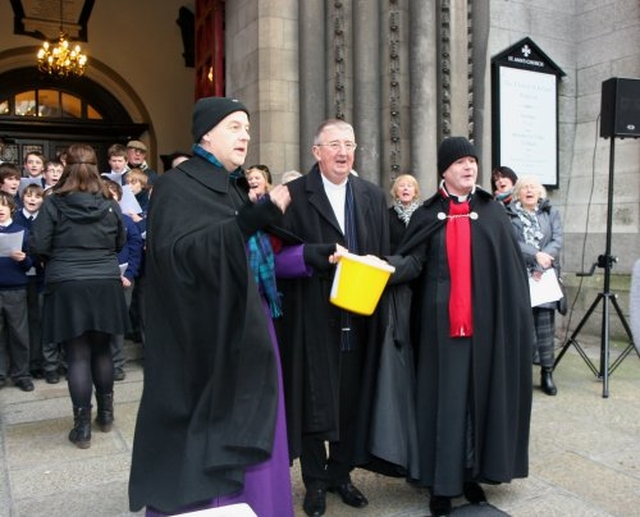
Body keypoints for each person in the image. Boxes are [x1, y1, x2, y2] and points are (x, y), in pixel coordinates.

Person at [129, 97, 296, 517]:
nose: (246, 135)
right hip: (209, 341)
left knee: (260, 430)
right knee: (220, 442)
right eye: (235, 126)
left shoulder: (232, 185)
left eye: (248, 128)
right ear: (206, 132)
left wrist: (314, 256)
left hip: (251, 328)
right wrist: (248, 221)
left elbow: (257, 259)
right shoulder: (175, 185)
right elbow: (178, 257)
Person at [388, 137, 533, 516]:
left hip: (486, 329)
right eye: (460, 163)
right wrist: (382, 268)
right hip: (439, 329)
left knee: (477, 400)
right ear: (444, 170)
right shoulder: (426, 213)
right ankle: (440, 484)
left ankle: (471, 476)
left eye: (473, 161)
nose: (469, 168)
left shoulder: (491, 212)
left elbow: (510, 272)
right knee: (442, 403)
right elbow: (413, 262)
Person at [278, 119, 390, 516]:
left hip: (360, 315)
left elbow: (386, 250)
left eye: (349, 144)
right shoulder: (292, 195)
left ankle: (341, 474)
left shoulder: (372, 196)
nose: (343, 152)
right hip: (311, 315)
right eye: (334, 145)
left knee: (350, 398)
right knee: (313, 400)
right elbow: (275, 259)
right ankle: (315, 482)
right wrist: (315, 255)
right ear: (316, 152)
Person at [30, 144, 130, 449]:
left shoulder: (53, 203)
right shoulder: (110, 203)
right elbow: (120, 240)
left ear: (67, 166)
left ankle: (82, 428)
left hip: (68, 281)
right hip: (103, 279)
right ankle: (106, 415)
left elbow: (39, 243)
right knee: (102, 350)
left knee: (77, 355)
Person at [506, 175, 563, 396]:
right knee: (523, 325)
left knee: (545, 326)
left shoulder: (551, 212)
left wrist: (545, 257)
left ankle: (547, 373)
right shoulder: (509, 215)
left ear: (540, 192)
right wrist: (535, 255)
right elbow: (511, 241)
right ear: (518, 193)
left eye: (533, 188)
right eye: (524, 188)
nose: (529, 191)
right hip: (521, 274)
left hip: (545, 276)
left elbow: (557, 239)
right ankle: (523, 374)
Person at [103, 179, 143, 381]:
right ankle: (99, 362)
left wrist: (129, 275)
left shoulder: (127, 222)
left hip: (124, 280)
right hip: (99, 280)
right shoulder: (94, 220)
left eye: (113, 194)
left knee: (118, 322)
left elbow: (136, 249)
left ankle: (117, 363)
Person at [0, 192, 35, 391]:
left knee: (19, 333)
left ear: (11, 208)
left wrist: (23, 259)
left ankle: (22, 374)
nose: (0, 209)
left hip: (16, 289)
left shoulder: (21, 231)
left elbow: (32, 262)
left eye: (4, 205)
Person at [15, 184, 46, 380]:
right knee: (18, 323)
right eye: (28, 195)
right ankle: (19, 366)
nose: (33, 199)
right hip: (17, 278)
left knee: (37, 321)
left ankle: (36, 362)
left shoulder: (44, 219)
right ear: (22, 198)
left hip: (39, 278)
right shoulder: (16, 218)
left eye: (37, 196)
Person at [388, 173, 421, 253]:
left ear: (415, 193)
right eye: (402, 186)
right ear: (396, 192)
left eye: (409, 186)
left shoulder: (422, 214)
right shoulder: (387, 215)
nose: (405, 188)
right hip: (394, 260)